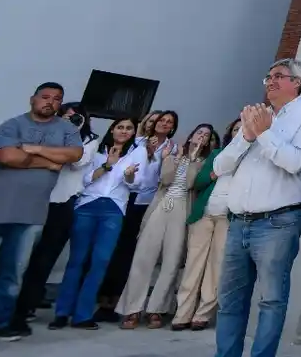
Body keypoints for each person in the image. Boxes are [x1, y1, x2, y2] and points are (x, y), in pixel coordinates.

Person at [212, 57, 301, 357]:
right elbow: (219, 166)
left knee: (271, 301)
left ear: (296, 83)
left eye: (278, 76)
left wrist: (264, 133)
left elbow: (294, 162)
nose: (270, 81)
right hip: (238, 222)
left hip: (277, 223)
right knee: (229, 301)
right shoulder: (257, 116)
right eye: (268, 77)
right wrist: (247, 136)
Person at [0, 82, 86, 341]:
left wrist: (31, 149)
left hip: (32, 213)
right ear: (32, 99)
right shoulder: (13, 125)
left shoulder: (67, 130)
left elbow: (74, 155)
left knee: (13, 273)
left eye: (57, 98)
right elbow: (6, 157)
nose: (50, 102)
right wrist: (49, 161)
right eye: (45, 97)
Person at [117, 123, 219, 328]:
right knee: (143, 256)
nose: (202, 136)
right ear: (191, 136)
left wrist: (193, 158)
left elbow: (191, 183)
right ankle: (132, 308)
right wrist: (176, 158)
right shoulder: (172, 156)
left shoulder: (204, 163)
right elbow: (165, 179)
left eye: (206, 135)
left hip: (183, 209)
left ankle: (157, 308)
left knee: (172, 261)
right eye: (199, 132)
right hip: (162, 205)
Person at [51, 117, 143, 330]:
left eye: (129, 128)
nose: (124, 131)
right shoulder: (97, 151)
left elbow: (136, 185)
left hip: (113, 210)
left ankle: (82, 315)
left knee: (100, 261)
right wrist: (108, 165)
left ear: (133, 133)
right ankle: (62, 312)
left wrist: (129, 175)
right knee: (77, 260)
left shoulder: (136, 154)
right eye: (120, 127)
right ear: (112, 130)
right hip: (87, 206)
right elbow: (85, 179)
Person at [13, 103, 99, 327]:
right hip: (36, 199)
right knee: (18, 254)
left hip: (63, 203)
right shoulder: (47, 135)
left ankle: (25, 306)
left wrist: (71, 135)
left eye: (76, 118)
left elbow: (76, 161)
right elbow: (27, 156)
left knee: (44, 258)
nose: (70, 121)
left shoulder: (89, 140)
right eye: (66, 117)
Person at [98, 109, 179, 319]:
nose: (164, 124)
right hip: (126, 199)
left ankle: (117, 300)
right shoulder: (136, 142)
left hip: (149, 204)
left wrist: (165, 158)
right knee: (114, 248)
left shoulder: (172, 148)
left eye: (169, 122)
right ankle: (102, 298)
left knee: (130, 252)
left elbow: (166, 178)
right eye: (161, 120)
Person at [173, 119, 242, 331]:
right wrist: (214, 173)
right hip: (205, 213)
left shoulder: (251, 157)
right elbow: (199, 182)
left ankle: (202, 314)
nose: (240, 132)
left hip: (228, 217)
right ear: (230, 133)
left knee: (217, 266)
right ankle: (182, 313)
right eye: (236, 129)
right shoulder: (217, 154)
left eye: (244, 129)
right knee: (193, 264)